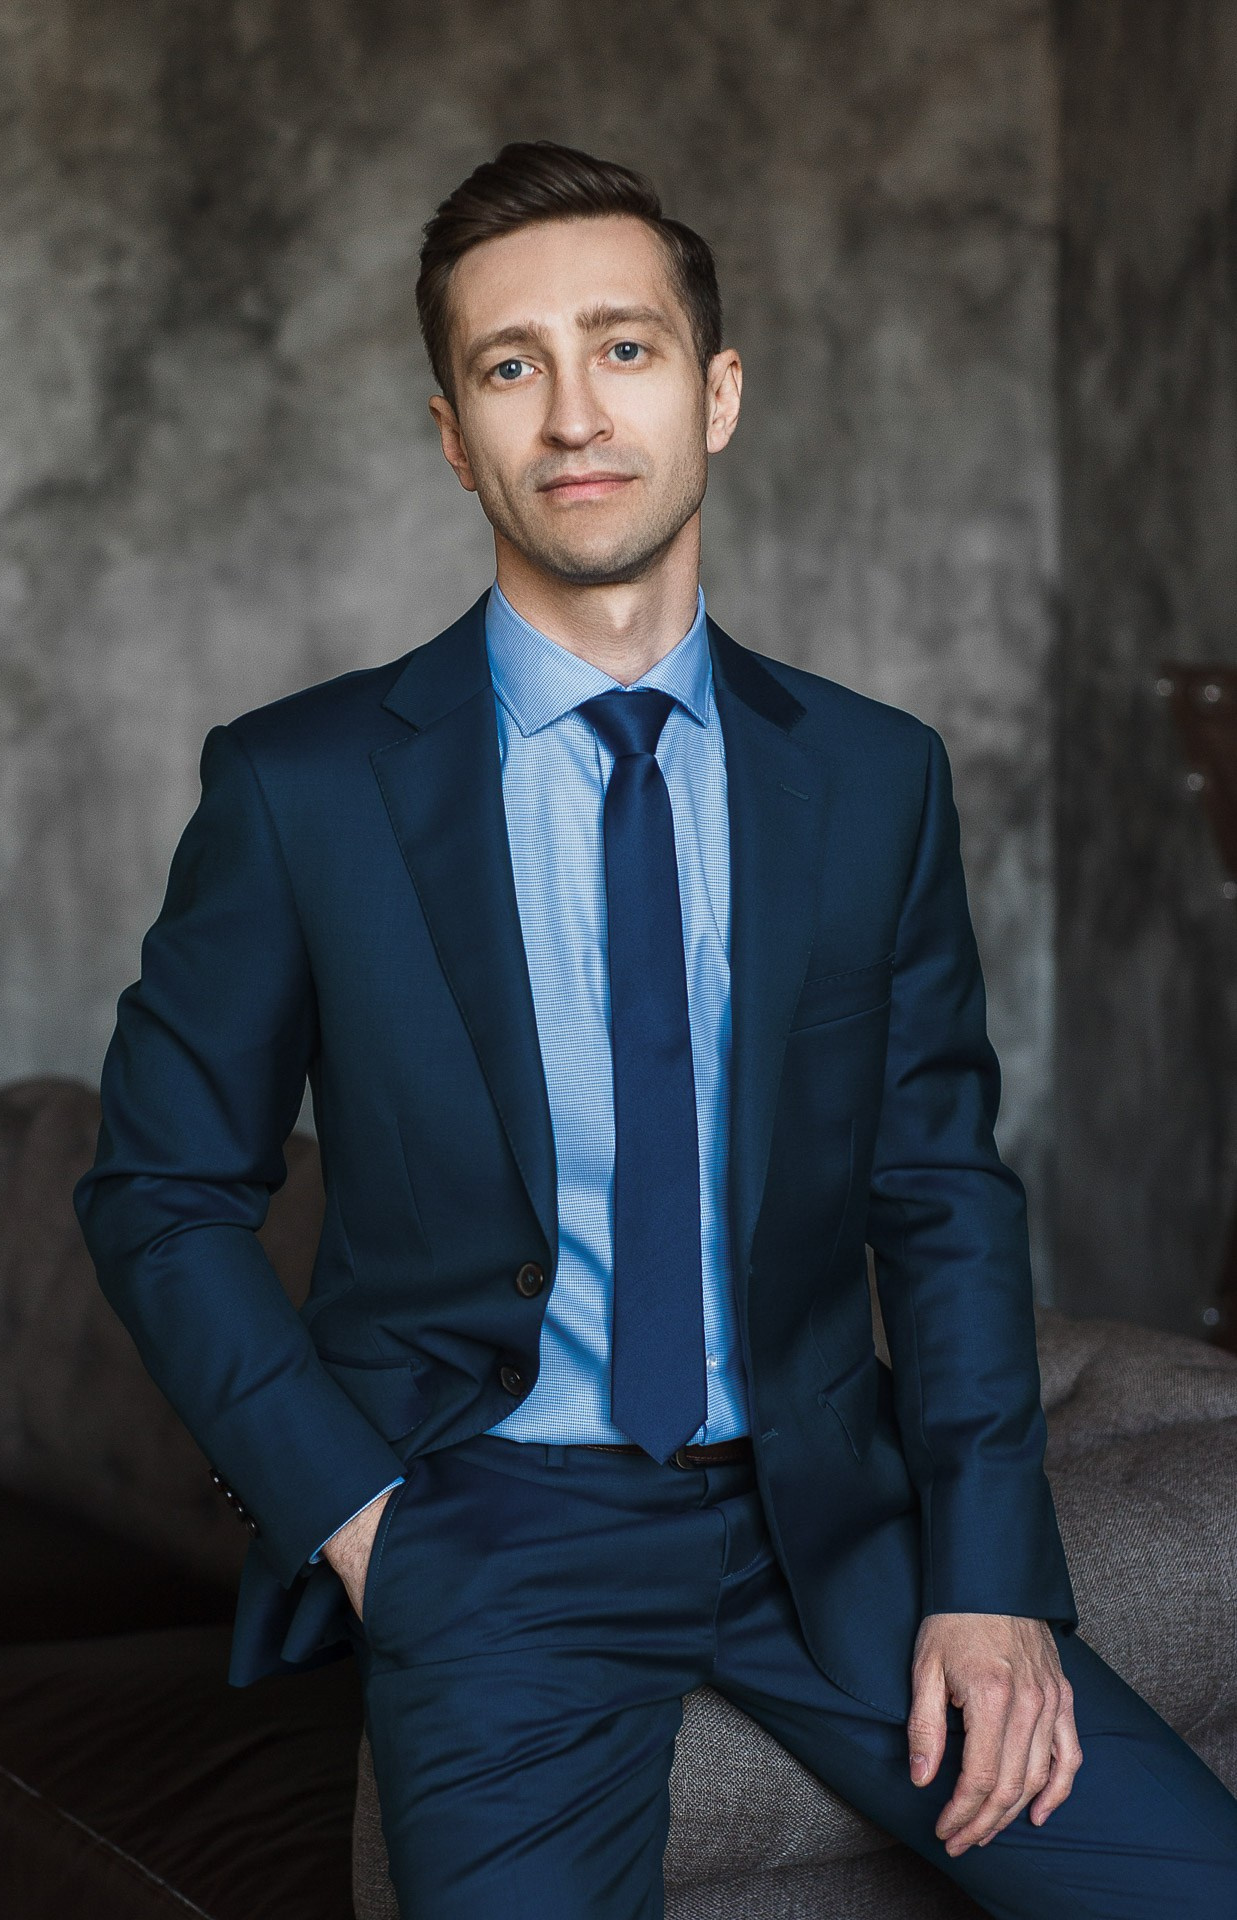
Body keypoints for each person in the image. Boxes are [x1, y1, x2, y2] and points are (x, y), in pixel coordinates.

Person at [74, 140, 1237, 1918]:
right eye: (508, 364)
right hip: (494, 1532)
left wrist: (994, 1577)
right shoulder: (302, 788)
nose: (571, 415)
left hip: (825, 1524)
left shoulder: (867, 778)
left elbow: (938, 1186)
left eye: (620, 347)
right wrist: (366, 1527)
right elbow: (158, 1187)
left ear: (716, 393)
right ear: (454, 435)